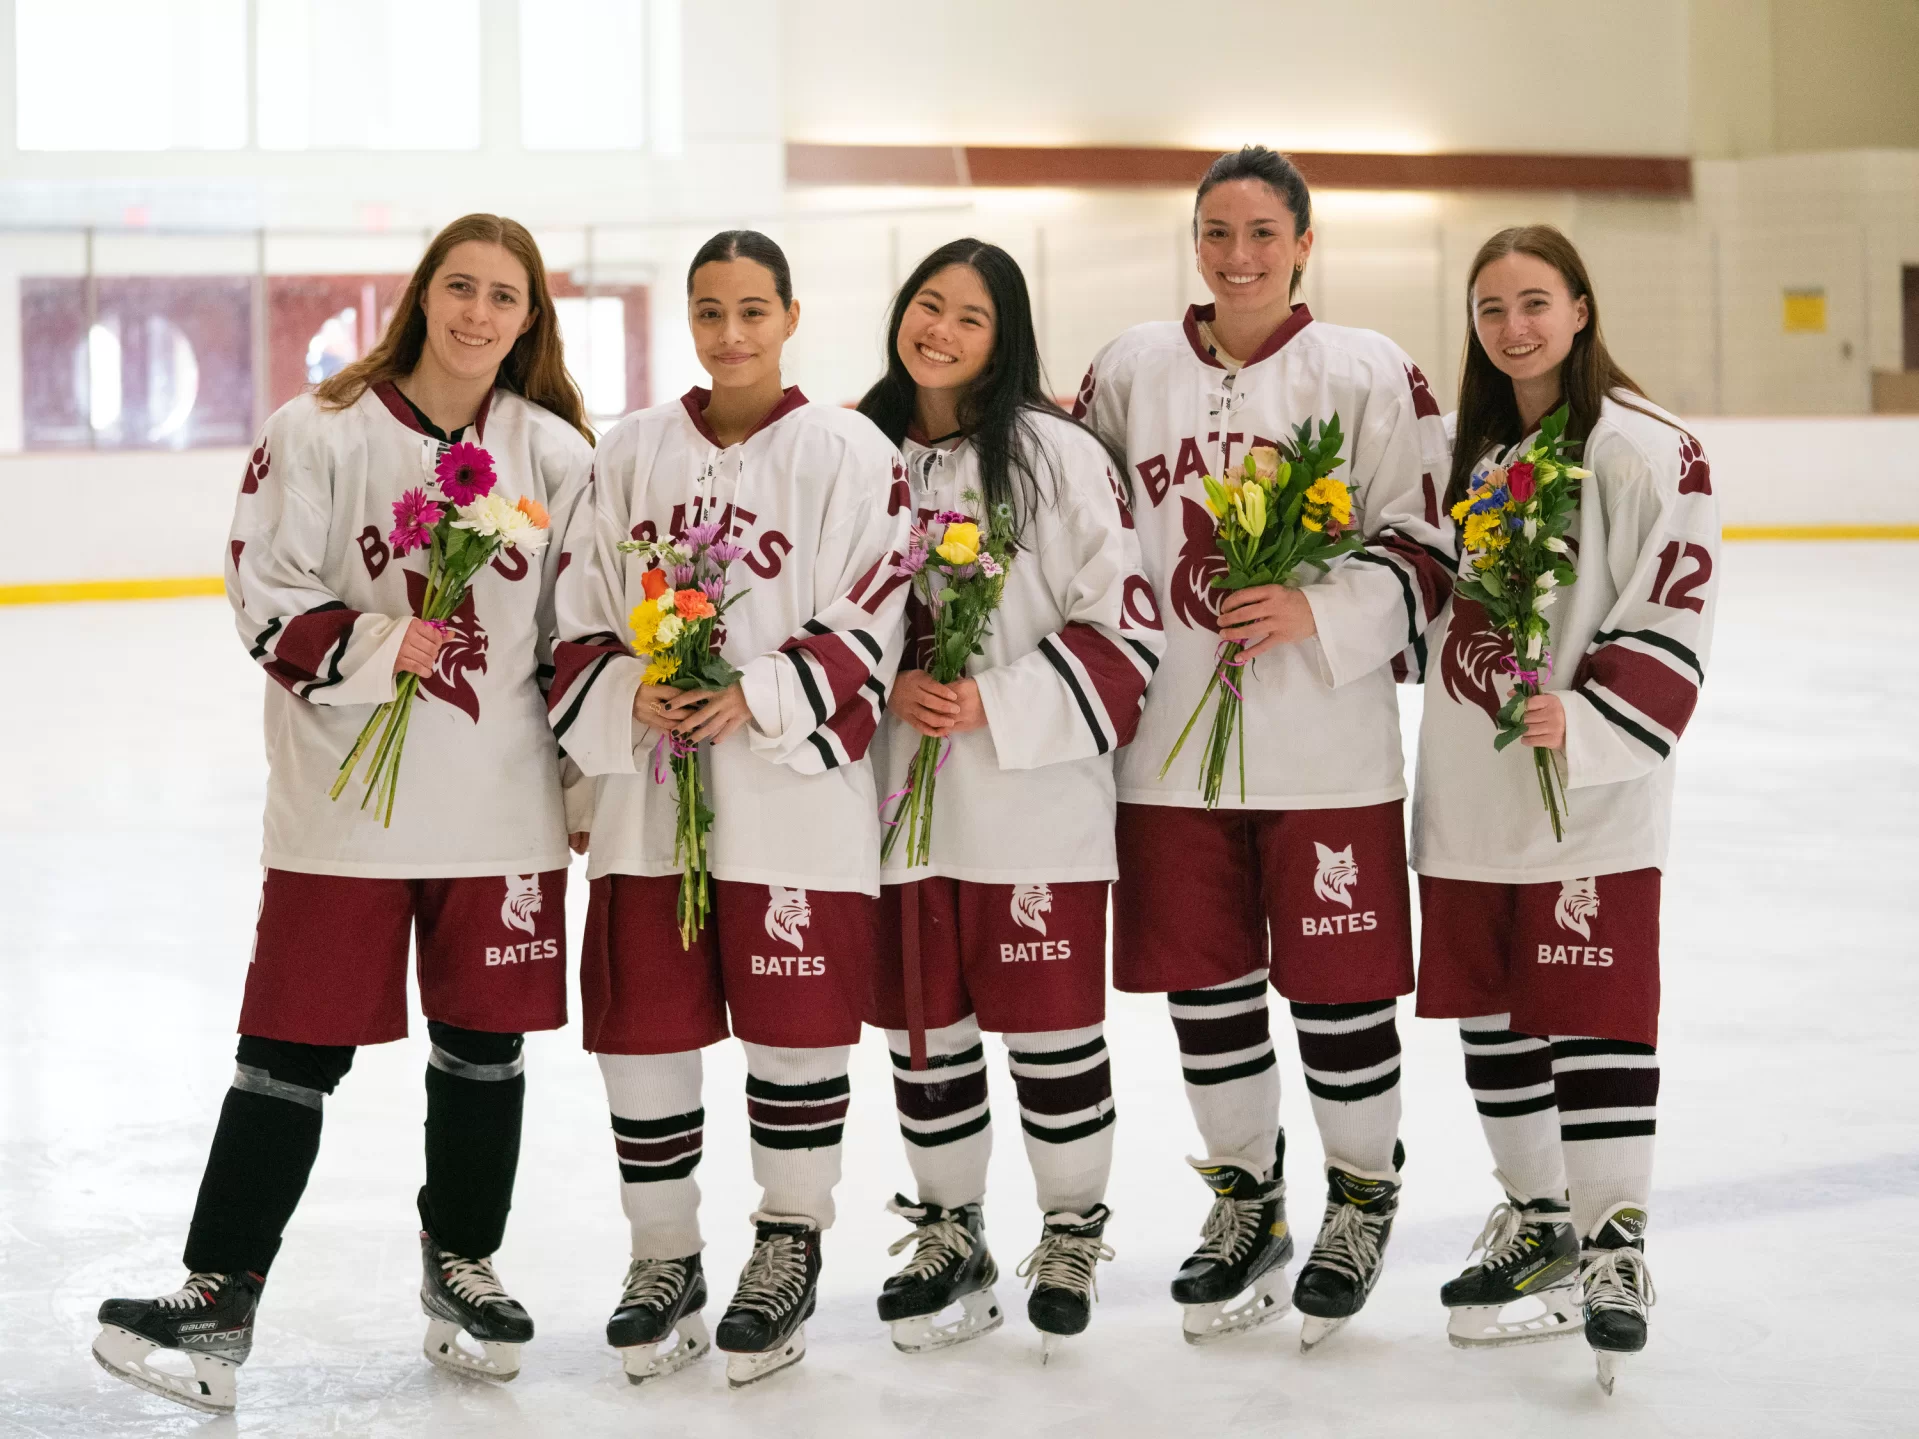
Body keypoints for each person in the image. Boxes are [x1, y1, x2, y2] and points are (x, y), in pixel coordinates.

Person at [91, 214, 595, 1413]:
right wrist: (379, 646)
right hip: (341, 810)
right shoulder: (314, 429)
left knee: (484, 1049)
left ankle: (463, 1269)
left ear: (531, 320)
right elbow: (263, 590)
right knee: (289, 1051)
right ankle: (217, 1287)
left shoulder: (559, 455)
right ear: (422, 295)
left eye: (504, 297)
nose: (478, 314)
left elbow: (581, 636)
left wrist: (584, 790)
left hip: (499, 805)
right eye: (459, 288)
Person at [1074, 145, 1454, 1349]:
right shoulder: (1130, 368)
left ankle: (1359, 1193)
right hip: (1167, 749)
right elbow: (1071, 522)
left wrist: (1321, 610)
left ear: (1302, 242)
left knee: (1339, 993)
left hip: (1322, 745)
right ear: (1193, 242)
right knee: (1209, 988)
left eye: (1259, 233)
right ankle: (1246, 1202)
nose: (1235, 256)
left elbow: (1429, 540)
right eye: (1214, 232)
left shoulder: (1367, 369)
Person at [546, 230, 910, 1389]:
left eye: (754, 309)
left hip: (792, 791)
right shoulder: (634, 447)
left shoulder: (851, 448)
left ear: (792, 315)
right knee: (645, 1027)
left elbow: (875, 611)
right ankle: (663, 1254)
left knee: (793, 1031)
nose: (731, 333)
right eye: (710, 311)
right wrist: (629, 689)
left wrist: (752, 694)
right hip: (651, 794)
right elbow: (578, 602)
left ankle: (787, 1244)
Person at [1412, 224, 1718, 1394]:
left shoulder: (1647, 449)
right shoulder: (1470, 451)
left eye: (1532, 302)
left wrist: (1584, 723)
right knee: (1490, 1009)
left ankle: (1612, 1244)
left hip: (1587, 788)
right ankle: (1536, 1217)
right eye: (1489, 308)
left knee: (1588, 1008)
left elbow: (1674, 612)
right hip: (1471, 781)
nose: (1511, 327)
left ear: (1581, 309)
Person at [857, 239, 1163, 1359]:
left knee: (1049, 1029)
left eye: (968, 317)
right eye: (926, 306)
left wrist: (996, 700)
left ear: (1006, 335)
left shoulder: (1055, 454)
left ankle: (1071, 1225)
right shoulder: (853, 447)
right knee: (922, 1027)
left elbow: (1124, 625)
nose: (938, 330)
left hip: (1032, 796)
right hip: (896, 792)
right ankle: (948, 1230)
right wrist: (874, 679)